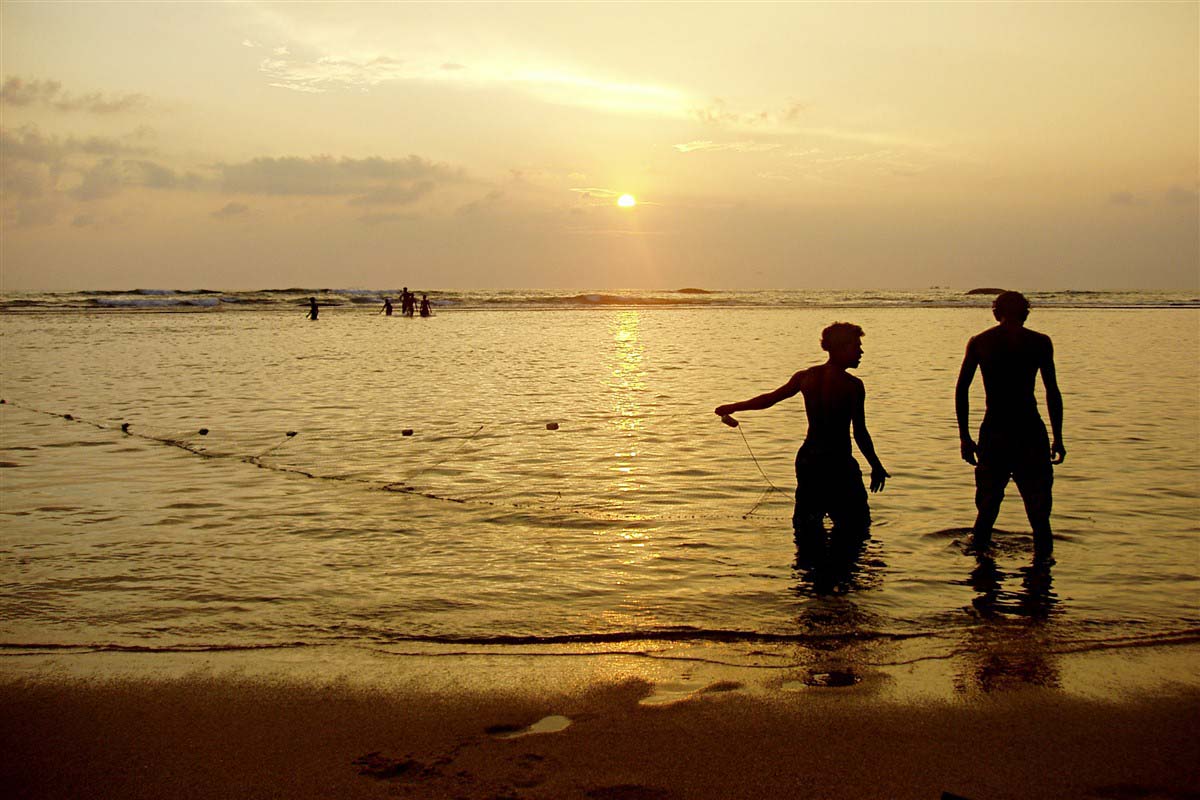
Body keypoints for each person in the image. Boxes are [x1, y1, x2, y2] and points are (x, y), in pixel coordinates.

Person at [714, 322, 889, 540]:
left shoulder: (806, 377)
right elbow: (860, 432)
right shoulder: (852, 385)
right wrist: (876, 465)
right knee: (856, 526)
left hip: (809, 461)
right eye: (857, 346)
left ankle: (807, 569)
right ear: (841, 347)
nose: (861, 351)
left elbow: (769, 399)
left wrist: (732, 407)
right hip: (838, 464)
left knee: (807, 525)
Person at [956, 290, 1064, 562]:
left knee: (988, 507)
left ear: (996, 312)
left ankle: (981, 576)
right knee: (1039, 513)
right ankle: (1042, 573)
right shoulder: (1039, 342)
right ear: (1025, 313)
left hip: (996, 431)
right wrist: (1058, 436)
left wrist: (965, 436)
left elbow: (961, 390)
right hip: (1030, 430)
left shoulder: (981, 342)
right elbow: (1052, 391)